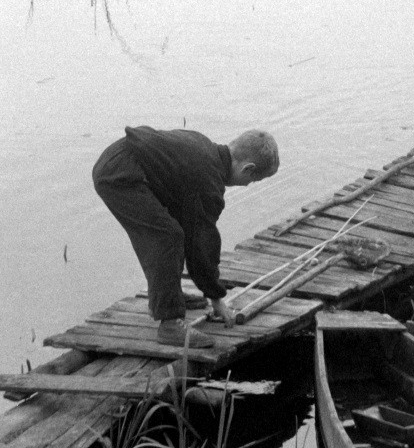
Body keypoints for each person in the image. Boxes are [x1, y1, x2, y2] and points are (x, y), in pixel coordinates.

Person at [93, 126, 279, 348]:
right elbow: (202, 244)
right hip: (120, 176)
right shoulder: (207, 181)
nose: (249, 185)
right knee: (167, 237)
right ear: (248, 169)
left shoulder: (206, 148)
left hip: (120, 161)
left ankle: (168, 297)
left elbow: (192, 232)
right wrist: (216, 297)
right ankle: (170, 324)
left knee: (175, 226)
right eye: (253, 180)